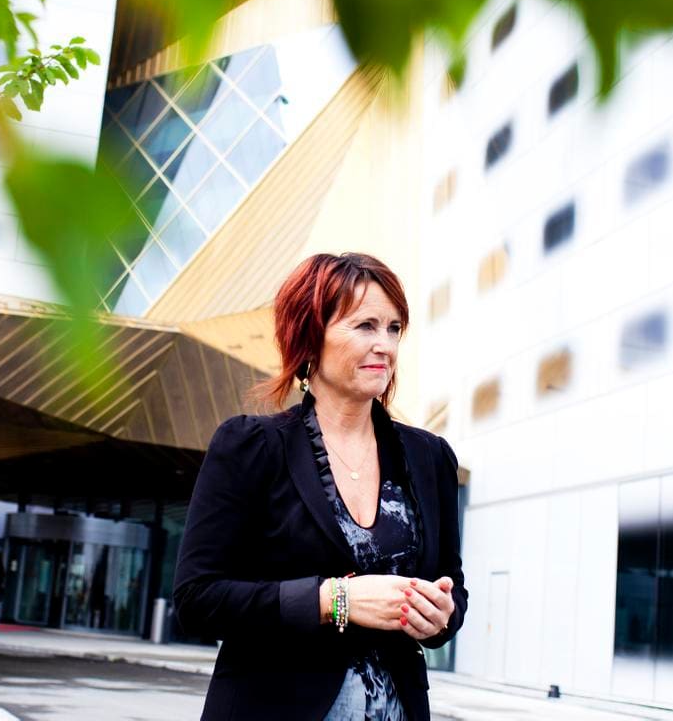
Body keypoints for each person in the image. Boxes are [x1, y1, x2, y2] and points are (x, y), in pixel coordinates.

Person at [174, 253, 468, 721]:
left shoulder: (430, 458)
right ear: (310, 337)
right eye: (365, 326)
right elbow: (198, 599)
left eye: (394, 328)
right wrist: (335, 600)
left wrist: (439, 616)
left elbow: (452, 593)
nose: (385, 346)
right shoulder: (250, 447)